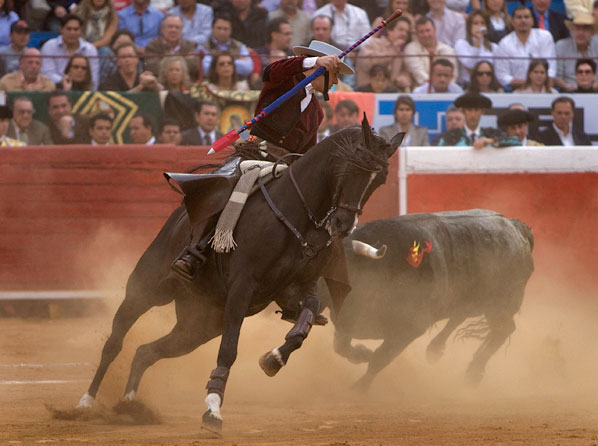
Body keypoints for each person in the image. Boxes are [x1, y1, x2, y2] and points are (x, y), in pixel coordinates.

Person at [173, 39, 352, 283]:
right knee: (224, 188)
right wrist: (316, 61)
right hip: (255, 155)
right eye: (334, 74)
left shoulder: (317, 112)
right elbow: (271, 70)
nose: (335, 82)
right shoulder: (284, 81)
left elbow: (307, 152)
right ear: (318, 68)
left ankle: (299, 279)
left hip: (286, 168)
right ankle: (194, 252)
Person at [494, 6, 556, 91]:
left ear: (532, 21)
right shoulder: (504, 44)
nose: (523, 20)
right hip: (517, 91)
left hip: (544, 89)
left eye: (526, 17)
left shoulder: (545, 37)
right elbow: (502, 76)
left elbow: (551, 69)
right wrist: (529, 84)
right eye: (519, 17)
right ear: (512, 22)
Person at [436, 92, 521, 149]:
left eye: (476, 110)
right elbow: (439, 154)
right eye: (469, 110)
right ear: (463, 111)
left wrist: (491, 141)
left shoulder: (490, 134)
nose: (473, 115)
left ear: (482, 112)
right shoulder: (451, 136)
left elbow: (516, 142)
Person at [40, 15, 100, 90]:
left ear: (81, 31)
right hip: (56, 89)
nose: (72, 32)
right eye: (69, 29)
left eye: (76, 29)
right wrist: (64, 81)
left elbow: (94, 78)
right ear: (61, 29)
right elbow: (47, 73)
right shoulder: (49, 46)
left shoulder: (90, 49)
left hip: (83, 89)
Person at [355, 16, 413, 91]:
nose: (404, 34)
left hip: (389, 94)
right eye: (401, 30)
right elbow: (370, 65)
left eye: (407, 32)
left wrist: (403, 78)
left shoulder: (401, 53)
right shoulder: (372, 43)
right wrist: (392, 51)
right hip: (367, 93)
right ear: (389, 30)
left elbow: (405, 74)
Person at [404, 16, 457, 87]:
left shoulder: (448, 49)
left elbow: (453, 75)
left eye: (428, 30)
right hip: (421, 91)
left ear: (435, 30)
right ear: (416, 34)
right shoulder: (410, 48)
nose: (425, 35)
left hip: (447, 90)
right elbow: (419, 74)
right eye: (421, 32)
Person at [198, 14, 254, 79]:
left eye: (225, 29)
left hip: (236, 83)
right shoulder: (203, 46)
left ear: (231, 30)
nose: (222, 32)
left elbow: (248, 68)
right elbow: (205, 69)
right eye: (219, 28)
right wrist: (235, 60)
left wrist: (216, 63)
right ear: (212, 28)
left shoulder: (240, 46)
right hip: (211, 82)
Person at [144, 15, 198, 80]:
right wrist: (181, 62)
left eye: (177, 27)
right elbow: (153, 67)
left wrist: (164, 61)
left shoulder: (189, 46)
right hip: (160, 84)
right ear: (162, 29)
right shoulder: (152, 46)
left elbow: (193, 66)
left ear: (181, 30)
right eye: (170, 27)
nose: (173, 30)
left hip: (185, 84)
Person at [555, 13, 598, 91]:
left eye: (585, 29)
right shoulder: (561, 46)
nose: (581, 33)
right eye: (577, 29)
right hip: (568, 91)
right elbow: (556, 77)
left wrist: (591, 88)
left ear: (592, 32)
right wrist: (568, 87)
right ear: (572, 31)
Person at [455, 10, 497, 86]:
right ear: (469, 26)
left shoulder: (494, 47)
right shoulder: (461, 44)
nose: (479, 27)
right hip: (467, 85)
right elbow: (469, 64)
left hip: (489, 85)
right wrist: (477, 43)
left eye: (482, 23)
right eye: (476, 23)